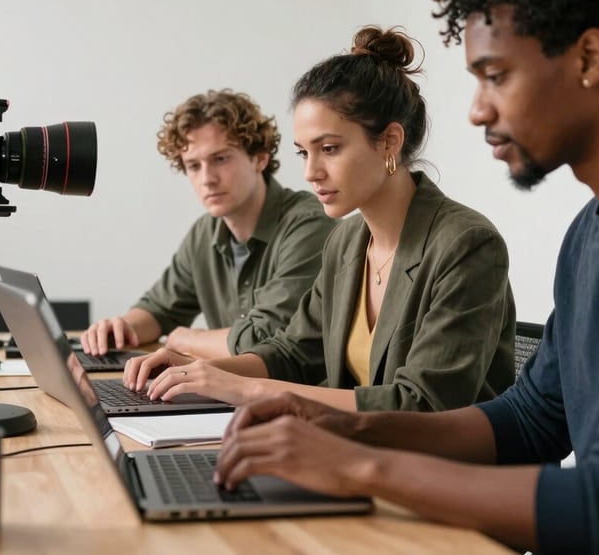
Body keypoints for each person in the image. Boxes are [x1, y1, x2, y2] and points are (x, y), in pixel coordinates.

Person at [212, 0, 599, 555]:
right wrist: (341, 425)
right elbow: (529, 420)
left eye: (495, 75)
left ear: (589, 56)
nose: (476, 110)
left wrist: (358, 465)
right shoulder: (589, 234)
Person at [123, 25, 516, 412]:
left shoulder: (466, 244)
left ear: (389, 141)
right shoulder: (346, 241)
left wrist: (248, 391)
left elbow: (423, 404)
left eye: (328, 148)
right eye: (303, 153)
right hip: (358, 456)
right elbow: (293, 353)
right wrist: (197, 371)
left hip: (441, 470)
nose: (311, 172)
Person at [81, 89, 335, 359]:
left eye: (221, 159)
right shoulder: (205, 232)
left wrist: (186, 340)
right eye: (193, 165)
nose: (207, 179)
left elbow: (265, 338)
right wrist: (121, 327)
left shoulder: (309, 225)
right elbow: (160, 309)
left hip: (298, 397)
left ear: (259, 158)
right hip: (231, 393)